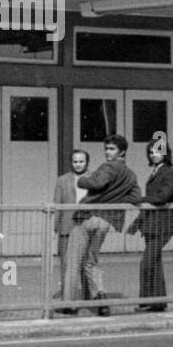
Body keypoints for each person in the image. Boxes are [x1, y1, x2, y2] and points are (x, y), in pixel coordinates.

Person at [74, 134, 142, 316]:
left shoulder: (108, 167)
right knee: (91, 260)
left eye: (111, 149)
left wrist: (81, 180)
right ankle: (101, 299)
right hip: (107, 222)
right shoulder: (130, 174)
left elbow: (97, 182)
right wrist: (118, 198)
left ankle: (73, 302)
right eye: (106, 148)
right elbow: (136, 197)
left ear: (122, 152)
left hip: (89, 217)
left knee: (76, 259)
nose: (107, 152)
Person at [127, 139, 173, 311]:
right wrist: (136, 224)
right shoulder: (156, 172)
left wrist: (139, 199)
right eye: (151, 152)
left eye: (157, 151)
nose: (153, 155)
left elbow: (162, 197)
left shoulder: (170, 172)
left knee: (147, 263)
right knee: (155, 263)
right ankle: (158, 302)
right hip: (152, 224)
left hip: (162, 225)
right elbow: (152, 202)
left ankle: (147, 301)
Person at [51, 150, 90, 313]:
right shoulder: (62, 180)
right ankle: (68, 300)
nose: (78, 164)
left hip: (86, 227)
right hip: (67, 227)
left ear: (87, 162)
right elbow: (57, 204)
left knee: (86, 264)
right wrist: (55, 228)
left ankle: (88, 297)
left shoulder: (93, 179)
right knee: (67, 265)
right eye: (75, 161)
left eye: (81, 161)